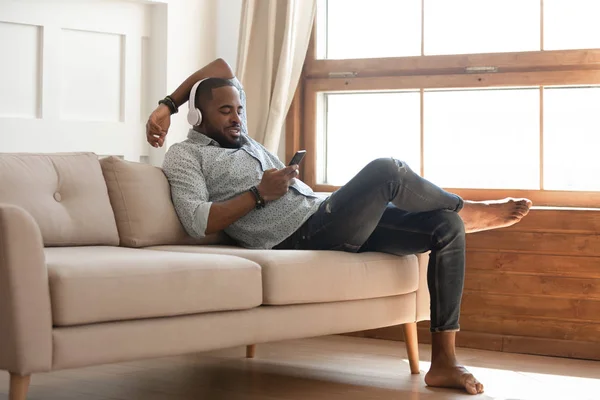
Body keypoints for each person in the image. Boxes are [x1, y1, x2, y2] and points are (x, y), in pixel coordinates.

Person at [146, 58, 532, 395]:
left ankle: (444, 365)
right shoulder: (186, 155)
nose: (236, 118)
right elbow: (198, 221)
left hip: (321, 212)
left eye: (240, 109)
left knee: (445, 227)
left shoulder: (243, 139)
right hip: (296, 235)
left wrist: (167, 103)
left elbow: (221, 69)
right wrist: (258, 195)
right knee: (387, 169)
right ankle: (466, 207)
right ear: (198, 117)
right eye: (225, 111)